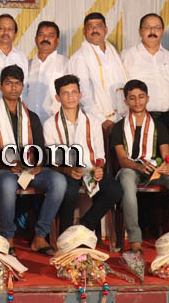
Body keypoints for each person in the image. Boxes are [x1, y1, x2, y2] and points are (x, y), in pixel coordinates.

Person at [0, 65, 64, 256]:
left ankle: (40, 237)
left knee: (59, 181)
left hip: (29, 170)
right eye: (8, 83)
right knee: (8, 183)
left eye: (17, 83)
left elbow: (41, 150)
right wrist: (8, 164)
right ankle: (7, 238)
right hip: (1, 171)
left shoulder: (32, 117)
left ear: (23, 86)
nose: (13, 88)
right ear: (0, 86)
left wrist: (38, 164)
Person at [112, 79, 169, 252]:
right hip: (132, 169)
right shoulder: (118, 127)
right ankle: (135, 239)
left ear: (147, 98)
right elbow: (122, 159)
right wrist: (138, 167)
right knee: (126, 176)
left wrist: (167, 165)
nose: (137, 102)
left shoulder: (159, 126)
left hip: (154, 170)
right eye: (132, 98)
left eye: (141, 97)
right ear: (126, 101)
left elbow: (166, 154)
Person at [47, 75, 123, 237]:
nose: (71, 97)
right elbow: (52, 158)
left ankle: (84, 225)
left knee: (115, 190)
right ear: (58, 97)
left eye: (74, 92)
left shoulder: (93, 122)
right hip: (66, 171)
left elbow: (100, 155)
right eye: (65, 93)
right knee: (69, 191)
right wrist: (68, 170)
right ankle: (65, 235)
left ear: (80, 95)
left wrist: (99, 168)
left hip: (89, 169)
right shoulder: (49, 124)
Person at [67, 12, 128, 133]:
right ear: (84, 31)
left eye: (99, 26)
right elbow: (82, 95)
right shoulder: (79, 58)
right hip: (99, 122)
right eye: (90, 27)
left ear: (105, 30)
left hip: (122, 118)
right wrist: (102, 120)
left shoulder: (112, 52)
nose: (94, 30)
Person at [122, 14, 169, 128]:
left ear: (162, 31)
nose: (152, 31)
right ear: (140, 31)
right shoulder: (127, 56)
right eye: (147, 27)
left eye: (157, 28)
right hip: (139, 119)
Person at [24, 21, 66, 121]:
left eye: (51, 35)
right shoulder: (26, 65)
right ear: (35, 39)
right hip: (30, 123)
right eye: (41, 35)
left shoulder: (65, 64)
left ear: (58, 41)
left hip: (56, 123)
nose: (45, 39)